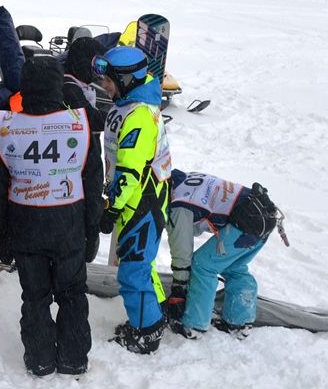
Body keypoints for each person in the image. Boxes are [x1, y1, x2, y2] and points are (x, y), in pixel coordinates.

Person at [0, 56, 104, 377]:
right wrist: (91, 231)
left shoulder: (6, 128)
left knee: (35, 296)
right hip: (68, 227)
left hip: (26, 228)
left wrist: (2, 233)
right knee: (72, 293)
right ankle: (74, 357)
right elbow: (93, 185)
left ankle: (39, 359)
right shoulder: (81, 126)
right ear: (58, 85)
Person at [93, 45, 172, 354]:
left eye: (110, 80)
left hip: (141, 200)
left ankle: (147, 331)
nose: (104, 85)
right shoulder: (128, 103)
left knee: (133, 269)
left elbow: (129, 172)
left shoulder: (138, 116)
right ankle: (156, 312)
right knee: (141, 263)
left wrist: (111, 209)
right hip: (138, 197)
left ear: (126, 80)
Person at [167, 170, 281, 339]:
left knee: (203, 265)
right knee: (234, 267)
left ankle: (194, 324)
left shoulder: (178, 205)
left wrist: (179, 287)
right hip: (264, 216)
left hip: (246, 221)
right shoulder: (185, 179)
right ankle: (239, 322)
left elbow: (182, 253)